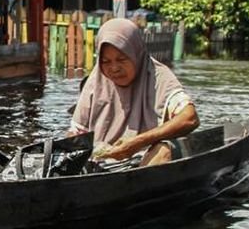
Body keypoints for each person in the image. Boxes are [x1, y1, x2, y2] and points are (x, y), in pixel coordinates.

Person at [70, 18, 199, 166]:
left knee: (165, 150)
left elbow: (190, 118)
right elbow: (76, 132)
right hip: (101, 164)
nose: (114, 68)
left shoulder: (158, 76)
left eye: (122, 59)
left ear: (136, 55)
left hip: (145, 161)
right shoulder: (97, 79)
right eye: (106, 61)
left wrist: (139, 142)